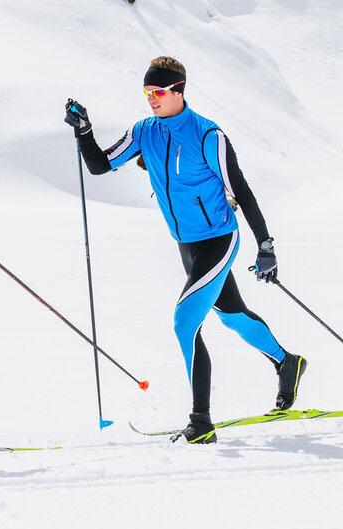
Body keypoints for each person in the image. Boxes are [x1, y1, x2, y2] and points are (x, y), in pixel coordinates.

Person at [64, 56, 307, 443]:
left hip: (218, 239)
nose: (151, 99)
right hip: (187, 245)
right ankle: (286, 362)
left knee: (185, 322)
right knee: (232, 315)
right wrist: (85, 132)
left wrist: (265, 245)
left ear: (178, 90)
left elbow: (242, 191)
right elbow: (100, 165)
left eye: (158, 92)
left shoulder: (208, 135)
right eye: (147, 92)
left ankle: (201, 422)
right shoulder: (144, 131)